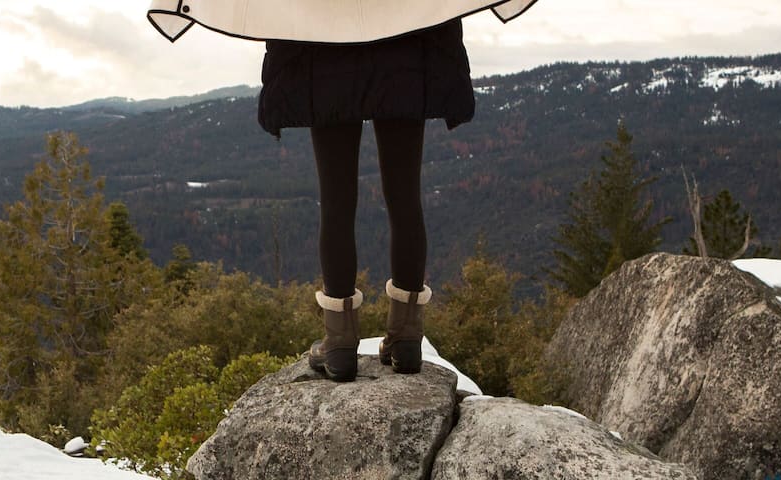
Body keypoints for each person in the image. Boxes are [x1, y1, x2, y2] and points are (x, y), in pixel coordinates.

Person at [146, 0, 538, 382]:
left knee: (336, 203)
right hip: (404, 46)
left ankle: (340, 345)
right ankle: (405, 339)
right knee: (405, 198)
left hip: (326, 53)